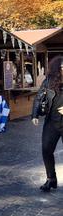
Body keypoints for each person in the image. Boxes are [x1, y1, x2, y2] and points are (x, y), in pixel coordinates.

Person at [31, 55, 63, 192]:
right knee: (46, 149)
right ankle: (51, 179)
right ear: (57, 68)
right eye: (61, 67)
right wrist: (35, 114)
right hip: (52, 121)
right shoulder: (49, 81)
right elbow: (39, 97)